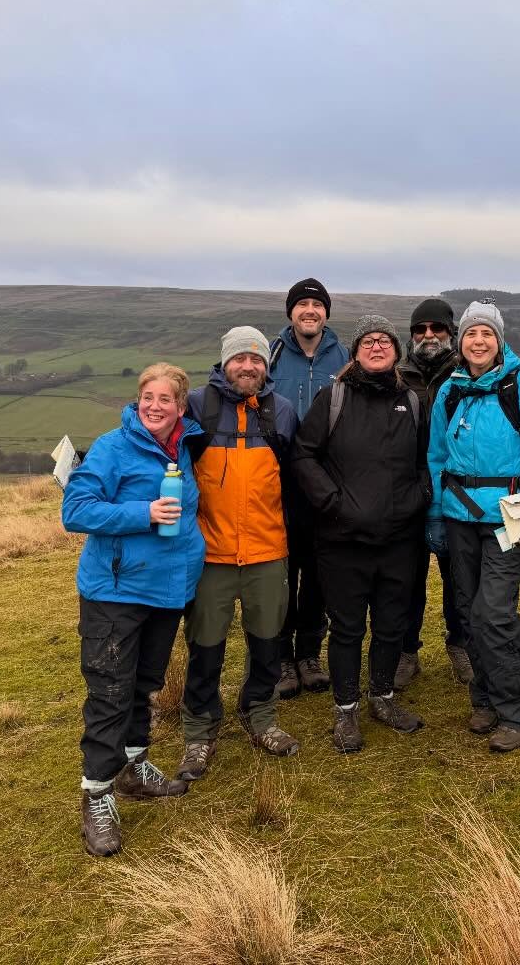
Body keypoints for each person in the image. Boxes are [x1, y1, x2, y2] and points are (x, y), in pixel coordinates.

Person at [62, 363, 201, 857]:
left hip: (166, 592)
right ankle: (96, 796)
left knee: (145, 685)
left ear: (181, 407)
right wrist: (142, 513)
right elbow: (75, 511)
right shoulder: (112, 448)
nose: (155, 406)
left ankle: (134, 769)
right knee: (110, 694)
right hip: (114, 594)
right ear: (137, 401)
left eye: (166, 399)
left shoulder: (185, 446)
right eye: (148, 397)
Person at [426, 300, 520, 753]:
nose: (477, 341)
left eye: (486, 334)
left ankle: (515, 712)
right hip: (459, 515)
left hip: (509, 514)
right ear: (460, 342)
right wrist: (435, 516)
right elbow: (436, 458)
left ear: (499, 340)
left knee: (493, 613)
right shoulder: (451, 390)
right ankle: (483, 698)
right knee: (466, 611)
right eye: (469, 334)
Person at [292, 315, 429, 752]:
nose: (376, 347)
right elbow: (303, 455)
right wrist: (332, 502)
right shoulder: (333, 397)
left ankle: (383, 698)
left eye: (384, 341)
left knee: (391, 625)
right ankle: (346, 711)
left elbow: (428, 458)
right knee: (348, 629)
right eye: (367, 341)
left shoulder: (413, 400)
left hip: (400, 538)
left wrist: (419, 497)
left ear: (396, 352)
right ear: (354, 353)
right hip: (342, 539)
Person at [177, 327, 301, 781]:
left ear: (267, 366)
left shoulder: (281, 411)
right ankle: (199, 730)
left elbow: (295, 475)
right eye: (239, 359)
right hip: (211, 553)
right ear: (224, 362)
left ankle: (261, 716)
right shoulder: (196, 406)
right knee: (204, 647)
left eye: (257, 359)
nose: (247, 366)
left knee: (267, 644)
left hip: (268, 551)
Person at [268, 278, 349, 698]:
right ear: (291, 313)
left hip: (325, 483)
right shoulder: (271, 354)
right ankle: (281, 658)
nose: (310, 311)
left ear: (326, 313)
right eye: (302, 305)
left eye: (317, 305)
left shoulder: (346, 356)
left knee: (318, 573)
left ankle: (309, 654)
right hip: (277, 485)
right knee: (282, 572)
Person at [394, 297, 469, 689]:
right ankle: (406, 651)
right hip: (406, 491)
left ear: (451, 333)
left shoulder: (468, 374)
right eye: (420, 329)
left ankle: (461, 645)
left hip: (457, 492)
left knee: (459, 574)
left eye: (436, 328)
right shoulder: (394, 376)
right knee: (407, 577)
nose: (428, 336)